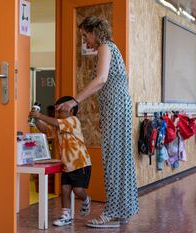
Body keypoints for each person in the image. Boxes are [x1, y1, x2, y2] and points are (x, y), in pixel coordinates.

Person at [56, 16, 139, 228]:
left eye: (85, 35)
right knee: (119, 160)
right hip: (116, 109)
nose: (85, 41)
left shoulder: (105, 47)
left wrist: (75, 100)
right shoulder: (109, 48)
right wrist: (105, 114)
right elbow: (111, 84)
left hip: (117, 109)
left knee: (114, 161)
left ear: (95, 31)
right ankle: (122, 210)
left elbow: (101, 79)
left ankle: (112, 213)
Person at [29, 96, 92, 227]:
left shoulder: (73, 121)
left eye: (61, 110)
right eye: (56, 111)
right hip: (67, 166)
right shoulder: (58, 126)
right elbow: (46, 130)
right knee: (64, 190)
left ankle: (86, 200)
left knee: (78, 190)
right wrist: (35, 119)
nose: (57, 114)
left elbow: (56, 123)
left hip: (80, 164)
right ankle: (66, 215)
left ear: (71, 111)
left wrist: (40, 115)